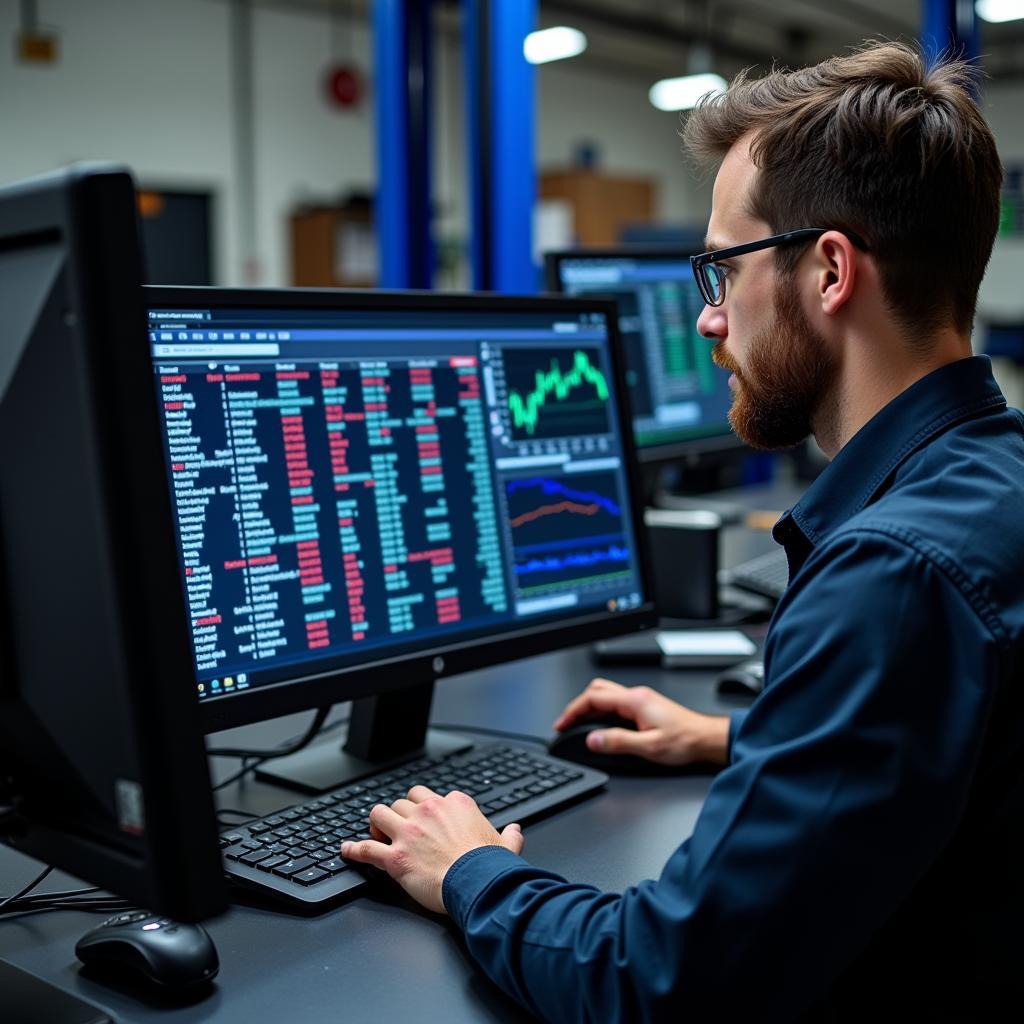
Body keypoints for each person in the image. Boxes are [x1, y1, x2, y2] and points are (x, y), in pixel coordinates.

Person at [342, 41, 1024, 1021]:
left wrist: (471, 869)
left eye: (719, 268)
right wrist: (740, 735)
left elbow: (663, 982)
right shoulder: (992, 477)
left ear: (830, 271)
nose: (707, 319)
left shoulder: (892, 574)